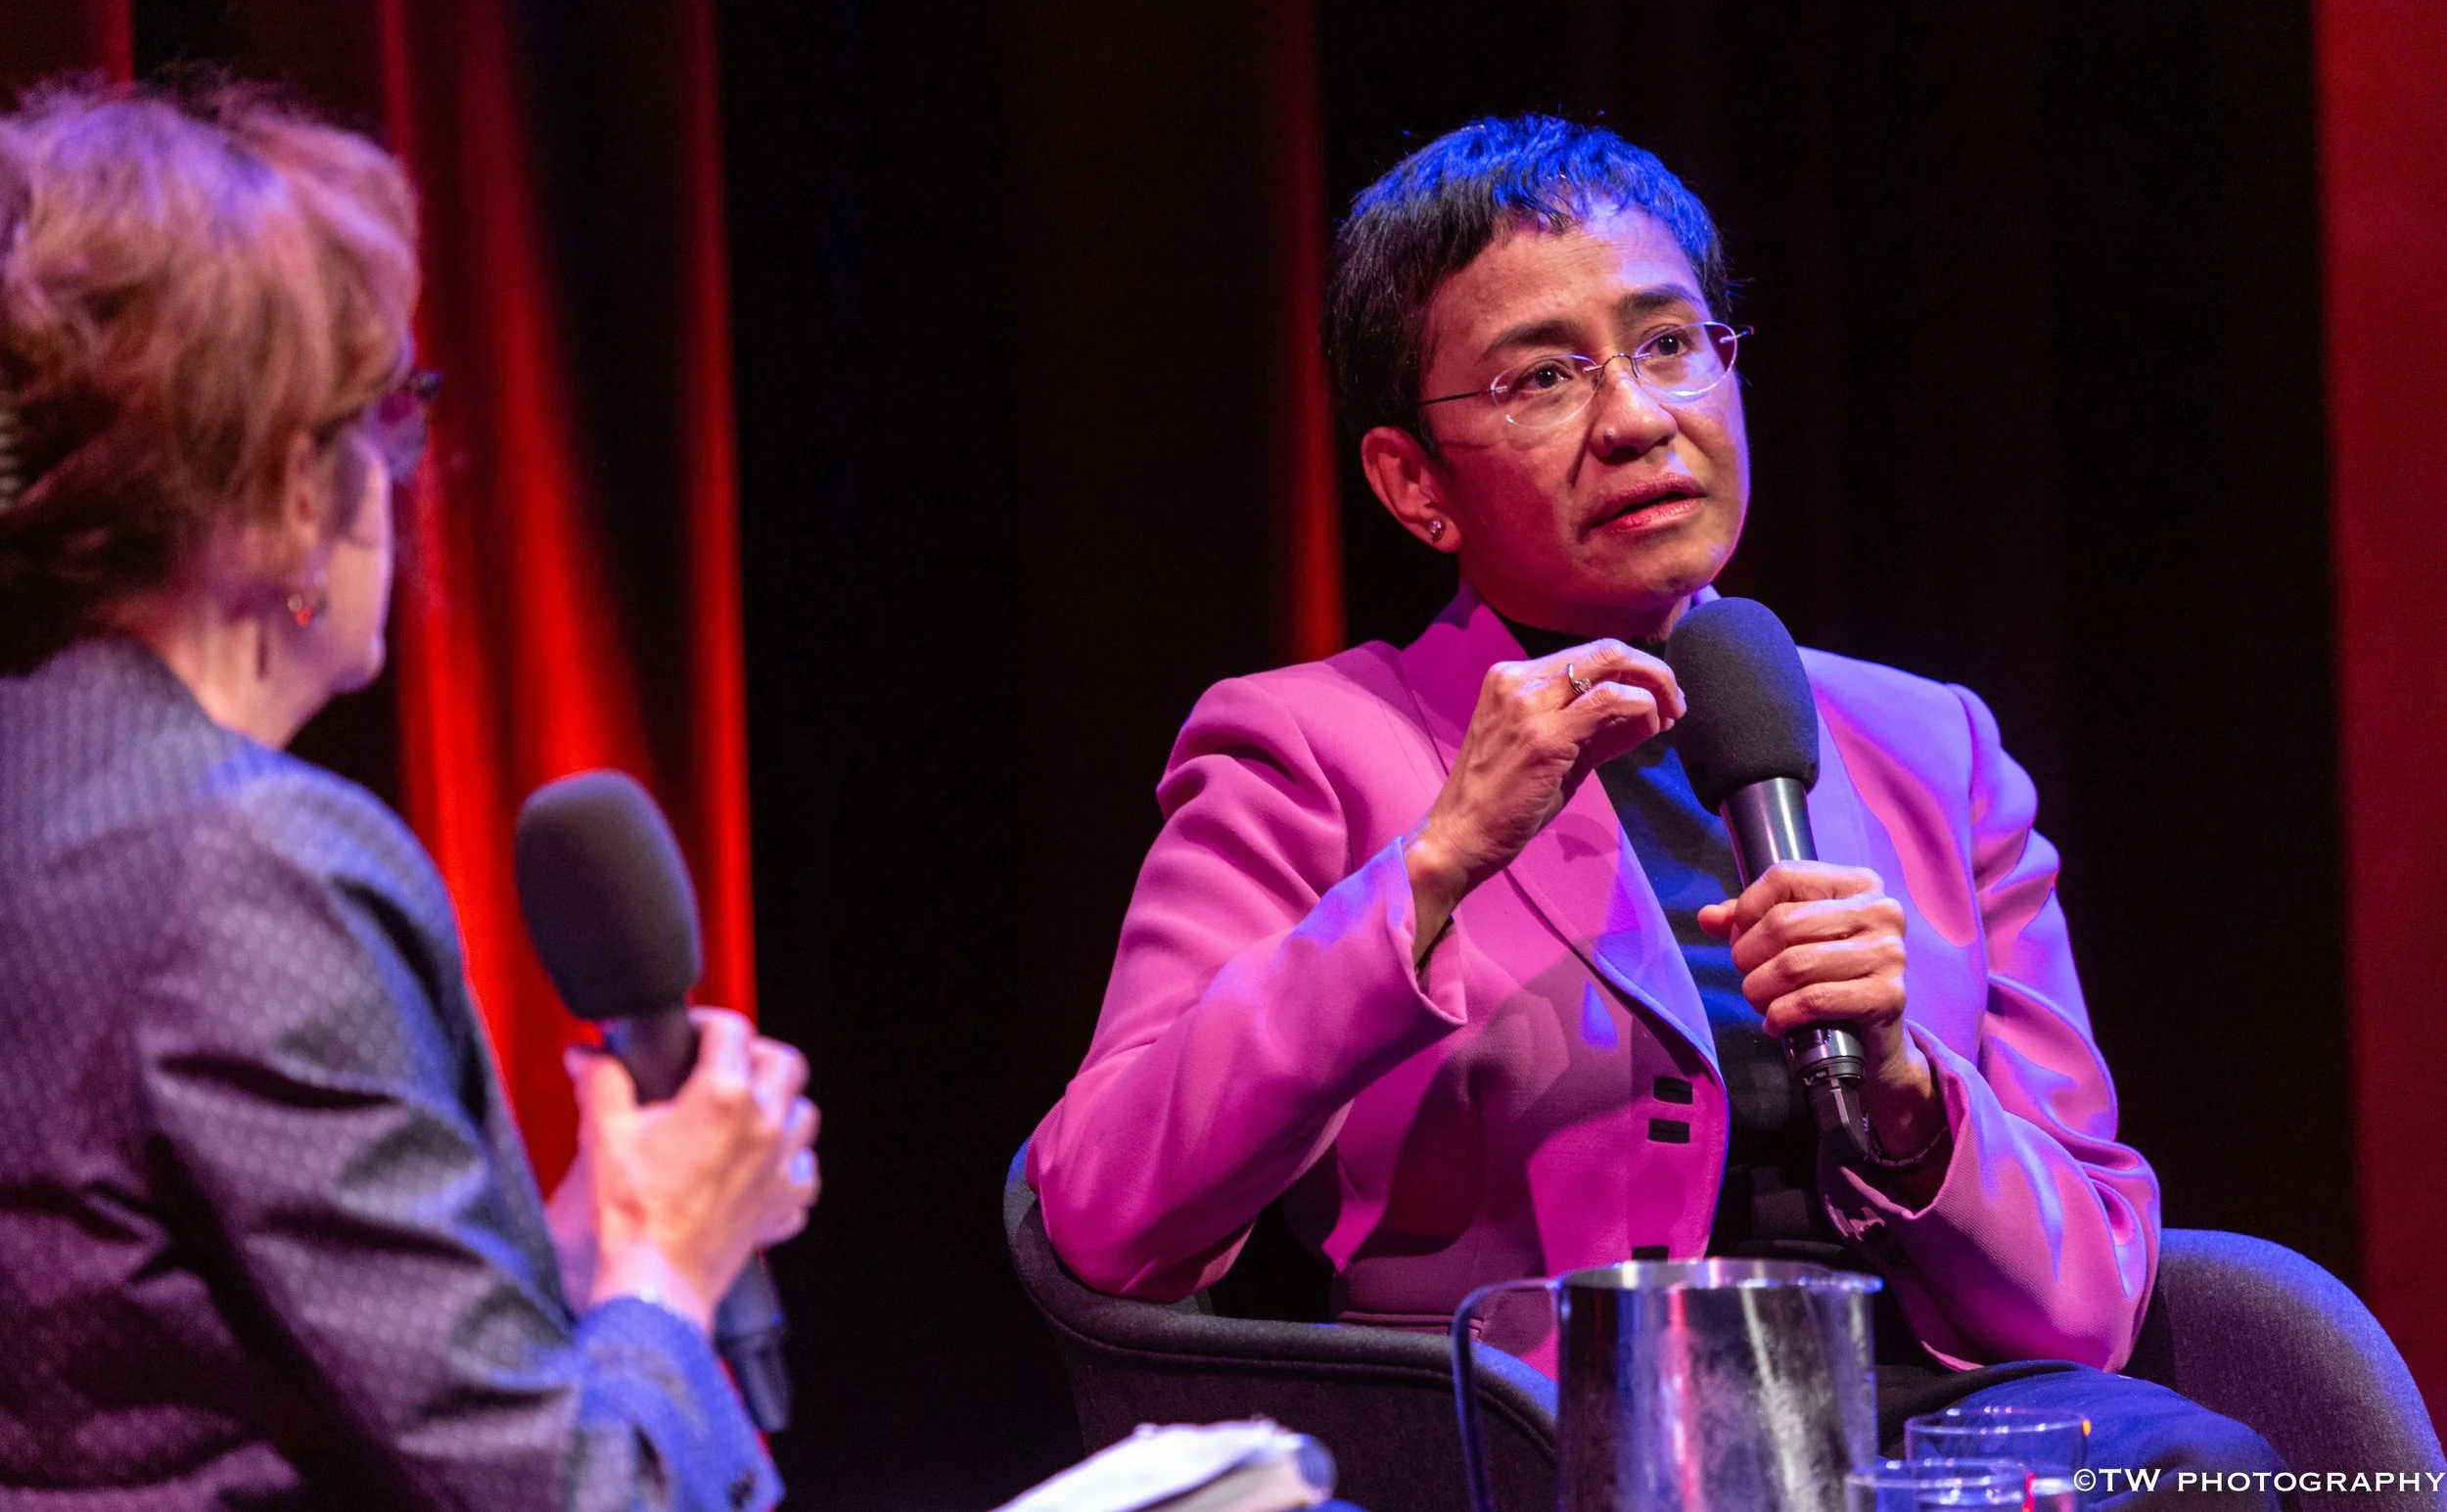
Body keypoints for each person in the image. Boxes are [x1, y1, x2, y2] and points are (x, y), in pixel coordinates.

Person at [1028, 115, 2282, 1498]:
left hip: (1940, 1428)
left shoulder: (1935, 747)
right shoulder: (1309, 746)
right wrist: (1434, 867)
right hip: (1547, 1442)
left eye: (1671, 343)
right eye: (1542, 378)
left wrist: (1910, 1091)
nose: (1635, 418)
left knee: (2202, 1471)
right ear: (1413, 483)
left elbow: (2092, 1295)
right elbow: (1103, 1210)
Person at [0, 79, 815, 1509]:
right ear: (285, 491)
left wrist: (572, 1251)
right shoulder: (249, 864)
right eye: (385, 412)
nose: (399, 476)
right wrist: (672, 1264)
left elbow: (158, 1327)